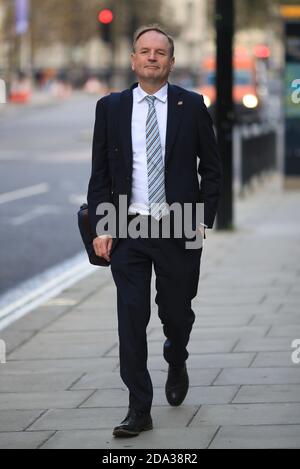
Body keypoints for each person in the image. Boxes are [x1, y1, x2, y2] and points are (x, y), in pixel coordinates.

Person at [87, 24, 222, 438]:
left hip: (180, 226)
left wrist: (202, 219)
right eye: (144, 51)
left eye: (159, 52)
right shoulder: (110, 108)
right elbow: (100, 176)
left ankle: (176, 355)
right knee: (131, 316)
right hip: (128, 228)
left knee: (176, 313)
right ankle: (138, 408)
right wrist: (101, 225)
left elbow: (212, 170)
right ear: (132, 59)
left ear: (171, 62)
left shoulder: (193, 105)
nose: (151, 57)